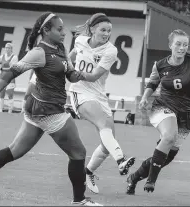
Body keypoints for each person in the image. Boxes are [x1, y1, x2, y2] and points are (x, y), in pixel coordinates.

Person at [0, 12, 102, 206]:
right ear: (46, 31)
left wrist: (81, 74)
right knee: (78, 153)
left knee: (14, 151)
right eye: (59, 29)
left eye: (63, 29)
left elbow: (70, 75)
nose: (64, 32)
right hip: (49, 110)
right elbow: (11, 72)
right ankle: (79, 200)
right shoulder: (39, 52)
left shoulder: (60, 48)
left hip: (37, 109)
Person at [125, 29, 190, 194]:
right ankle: (151, 181)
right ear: (170, 45)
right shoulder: (160, 64)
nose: (182, 48)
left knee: (166, 157)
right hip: (163, 106)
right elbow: (152, 83)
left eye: (185, 44)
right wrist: (144, 98)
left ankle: (133, 178)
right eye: (178, 44)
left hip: (185, 113)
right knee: (169, 136)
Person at [68, 13, 135, 194]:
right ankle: (121, 160)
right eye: (103, 30)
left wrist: (76, 73)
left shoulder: (111, 51)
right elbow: (70, 57)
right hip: (79, 92)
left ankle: (88, 172)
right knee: (102, 123)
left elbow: (94, 75)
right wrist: (66, 67)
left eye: (109, 31)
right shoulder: (80, 40)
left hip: (99, 95)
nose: (106, 34)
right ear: (92, 29)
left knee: (107, 142)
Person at [0, 43, 19, 113]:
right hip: (2, 76)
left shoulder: (14, 57)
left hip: (10, 77)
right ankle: (0, 110)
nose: (7, 49)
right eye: (6, 48)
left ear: (11, 49)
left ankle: (10, 111)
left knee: (10, 94)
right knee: (1, 94)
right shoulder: (2, 56)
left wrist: (4, 68)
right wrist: (0, 67)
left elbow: (13, 68)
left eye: (9, 48)